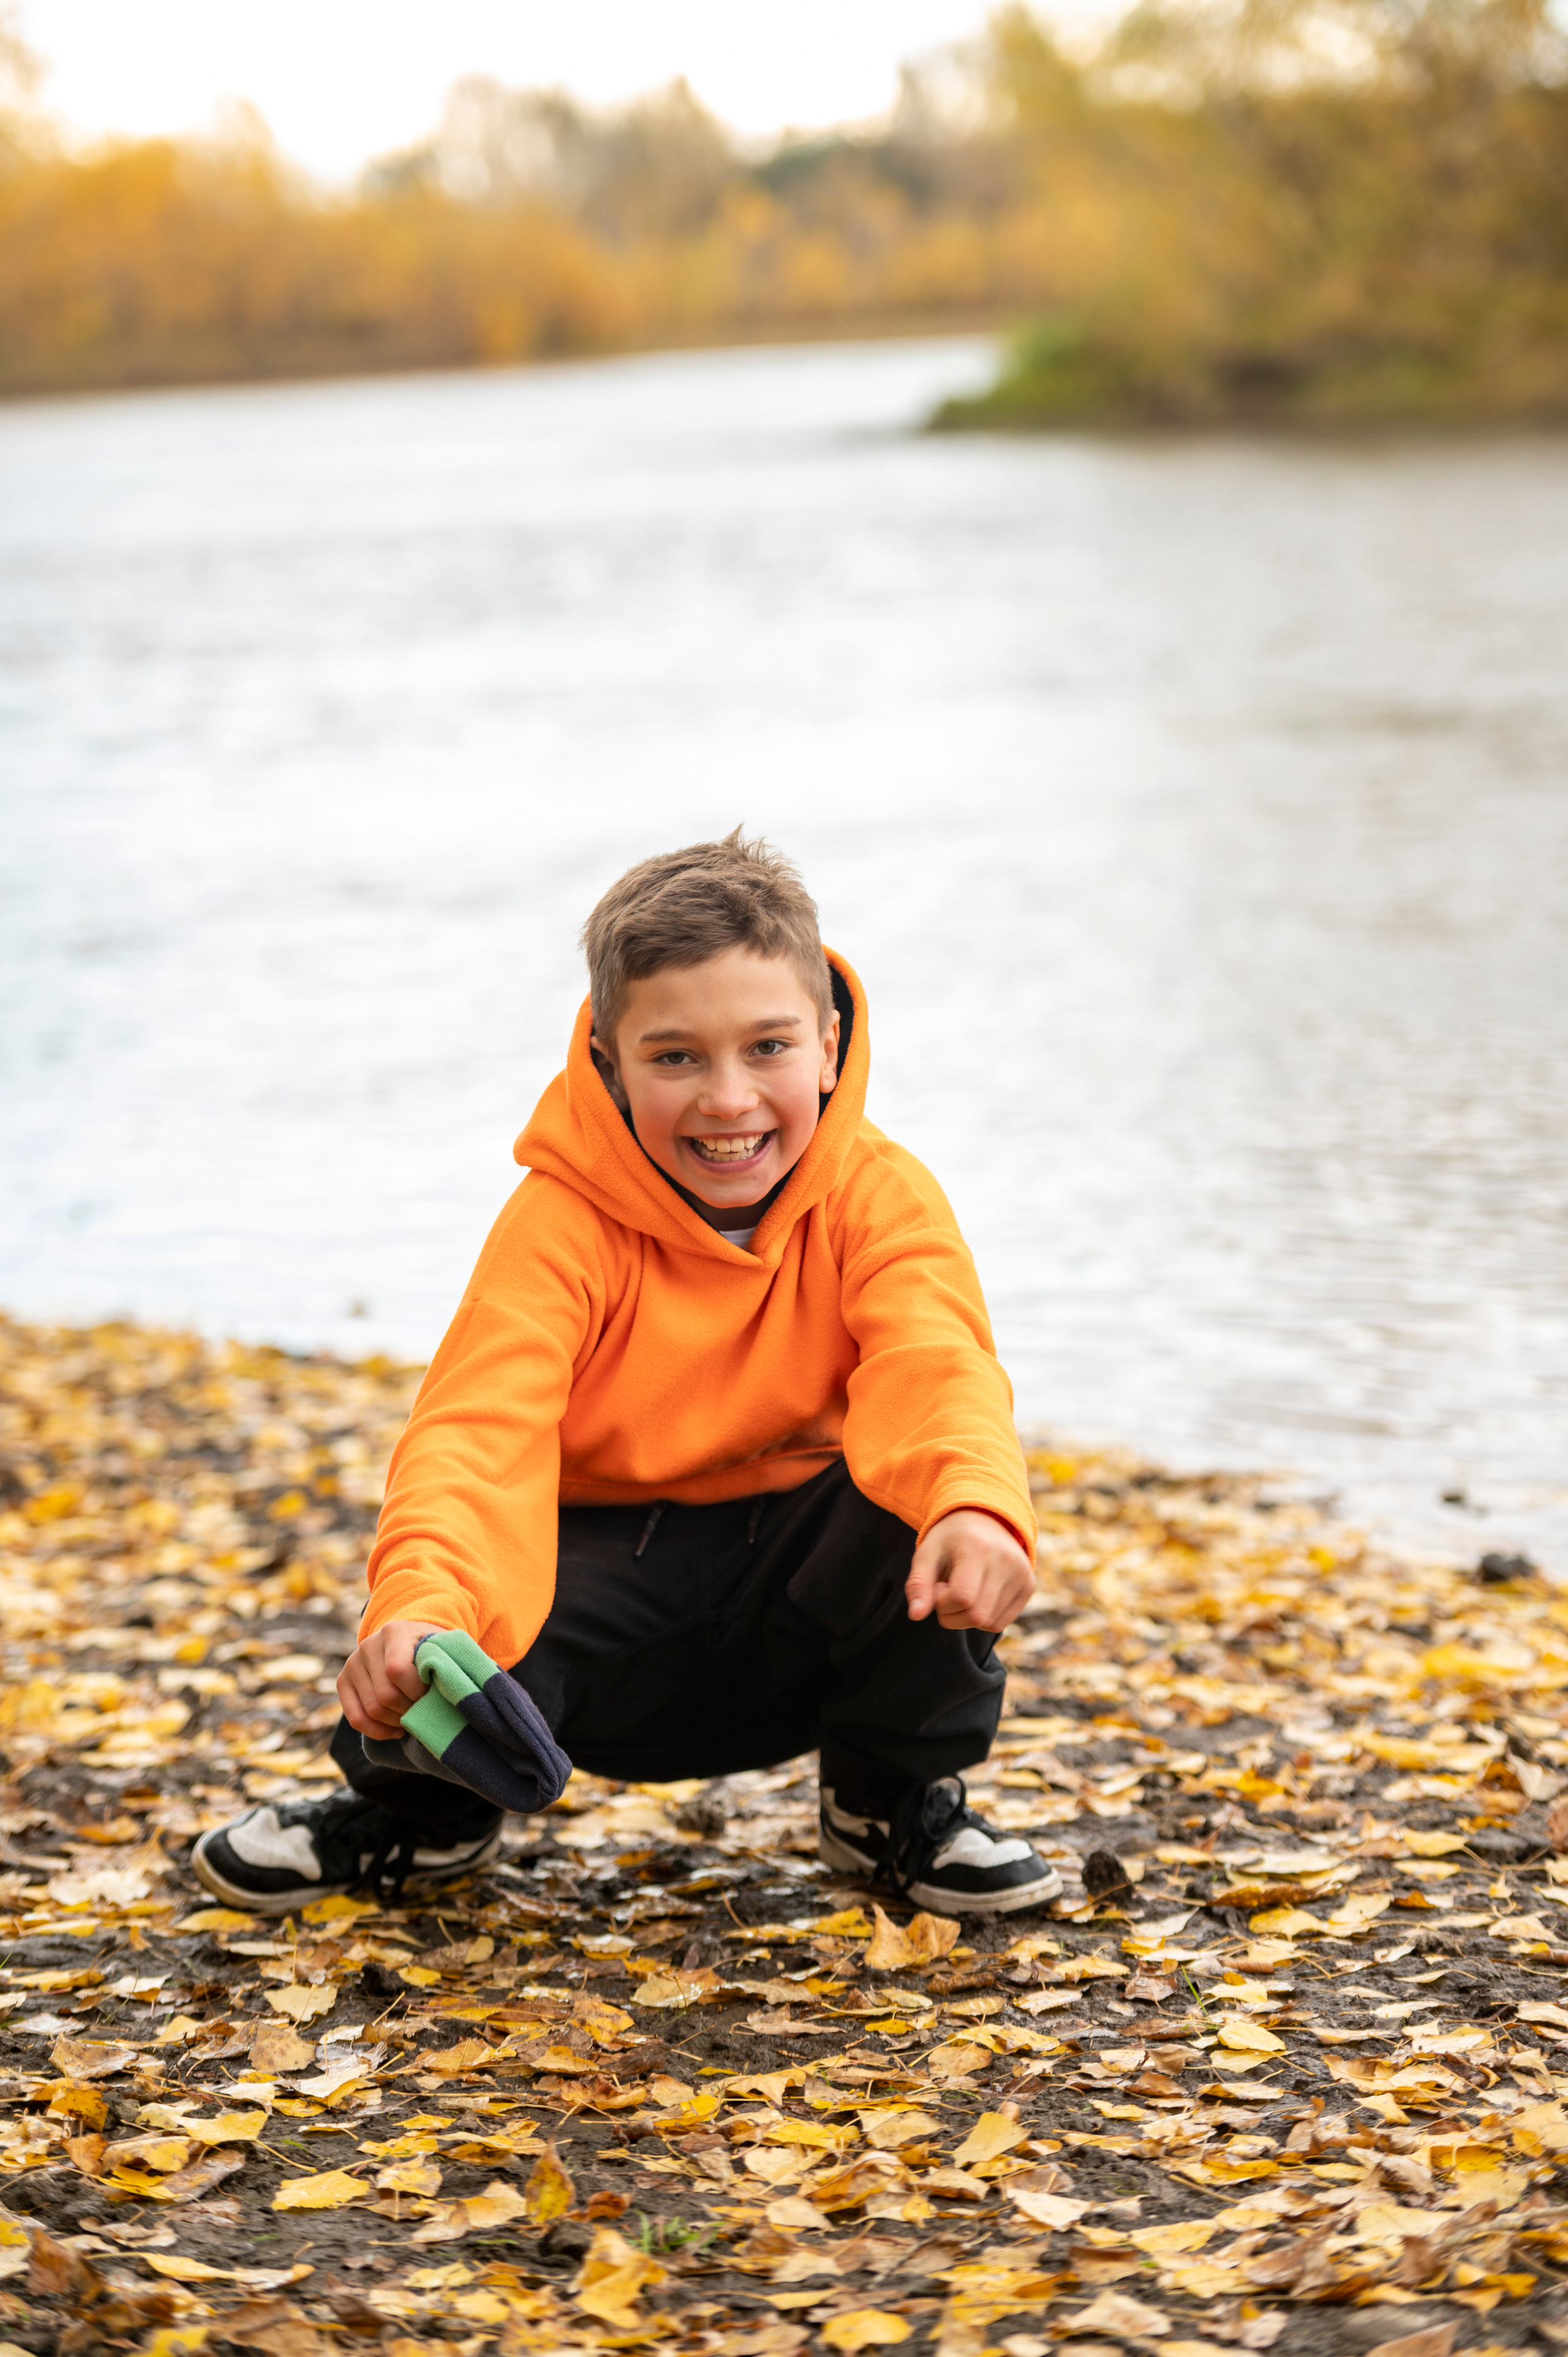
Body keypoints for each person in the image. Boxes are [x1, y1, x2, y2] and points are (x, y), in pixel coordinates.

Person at [193, 831, 1061, 1918]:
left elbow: (934, 1365)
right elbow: (476, 1429)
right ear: (608, 1064)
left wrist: (976, 1505)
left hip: (798, 1603)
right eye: (676, 1057)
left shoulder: (881, 1198)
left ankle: (887, 1804)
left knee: (929, 1505)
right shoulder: (562, 1223)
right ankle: (427, 1823)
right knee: (447, 1633)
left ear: (830, 1049)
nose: (728, 1097)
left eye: (768, 1048)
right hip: (597, 1616)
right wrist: (415, 1609)